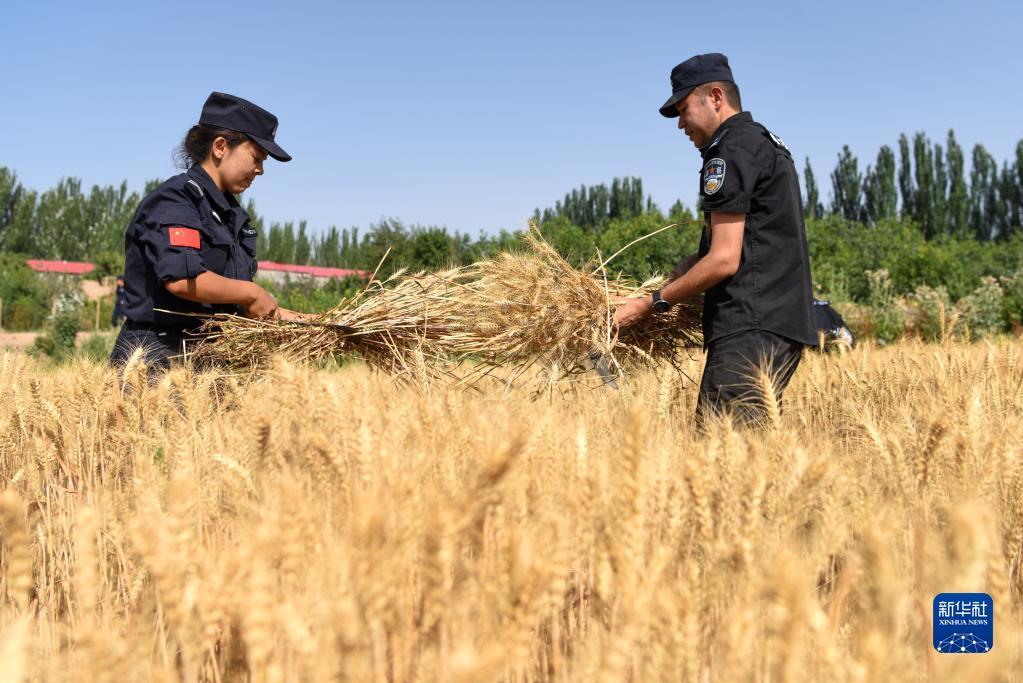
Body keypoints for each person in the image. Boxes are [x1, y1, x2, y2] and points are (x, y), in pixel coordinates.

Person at [614, 53, 817, 428]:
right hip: (777, 321)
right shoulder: (763, 144)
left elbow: (726, 259)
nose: (680, 124)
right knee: (744, 460)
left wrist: (652, 303)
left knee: (722, 459)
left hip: (750, 326)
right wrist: (693, 263)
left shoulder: (730, 152)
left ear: (716, 97)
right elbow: (754, 237)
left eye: (683, 108)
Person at [110, 92, 312, 369]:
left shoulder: (231, 215)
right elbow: (181, 280)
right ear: (220, 147)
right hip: (157, 357)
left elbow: (234, 300)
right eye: (256, 157)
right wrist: (251, 292)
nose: (260, 170)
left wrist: (314, 323)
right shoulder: (177, 200)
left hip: (208, 358)